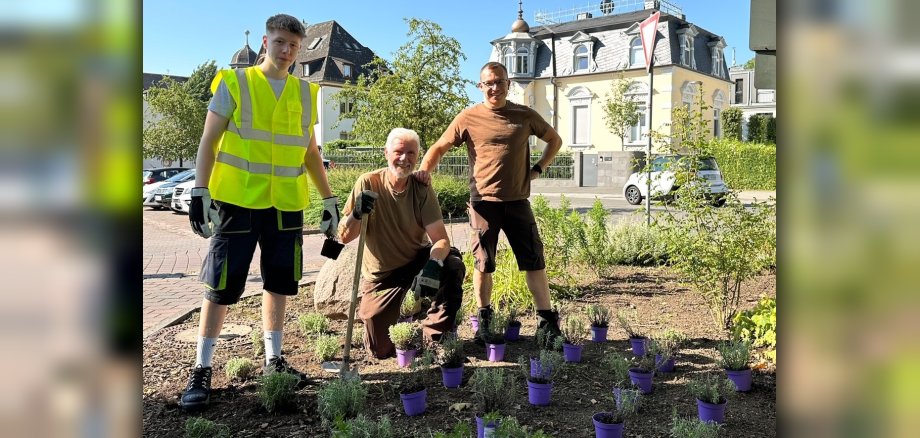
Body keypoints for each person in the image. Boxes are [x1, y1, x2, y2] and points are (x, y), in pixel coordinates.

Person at [180, 14, 341, 411]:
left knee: (281, 283)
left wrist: (328, 199)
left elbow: (309, 152)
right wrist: (200, 190)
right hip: (236, 201)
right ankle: (201, 369)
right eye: (281, 42)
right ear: (266, 42)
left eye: (294, 45)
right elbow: (208, 140)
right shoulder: (234, 82)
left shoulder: (306, 92)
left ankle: (274, 360)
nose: (287, 51)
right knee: (221, 285)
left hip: (285, 203)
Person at [416, 61, 564, 348]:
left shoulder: (524, 115)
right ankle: (483, 321)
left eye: (500, 81)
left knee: (534, 260)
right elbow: (439, 147)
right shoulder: (468, 117)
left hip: (518, 202)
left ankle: (546, 322)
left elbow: (554, 140)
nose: (495, 87)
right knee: (483, 264)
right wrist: (424, 173)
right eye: (489, 83)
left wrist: (538, 169)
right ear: (480, 86)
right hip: (483, 203)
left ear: (508, 83)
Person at [338, 128, 465, 359]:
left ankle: (435, 337)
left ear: (418, 156)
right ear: (386, 153)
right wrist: (356, 213)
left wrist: (433, 263)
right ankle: (398, 324)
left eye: (411, 153)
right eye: (398, 152)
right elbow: (344, 236)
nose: (404, 159)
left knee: (452, 264)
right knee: (380, 350)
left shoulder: (421, 188)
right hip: (381, 276)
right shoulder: (368, 182)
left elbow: (441, 239)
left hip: (415, 261)